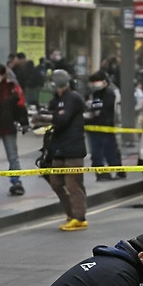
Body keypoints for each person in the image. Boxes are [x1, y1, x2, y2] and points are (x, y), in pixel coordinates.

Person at [38, 70, 88, 230]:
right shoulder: (57, 99)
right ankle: (70, 213)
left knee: (73, 184)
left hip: (73, 147)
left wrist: (49, 117)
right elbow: (52, 113)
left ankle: (79, 217)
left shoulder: (73, 98)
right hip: (59, 147)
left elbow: (63, 118)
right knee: (56, 182)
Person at [0, 62, 29, 197]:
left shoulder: (12, 88)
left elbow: (20, 107)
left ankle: (16, 182)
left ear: (3, 75)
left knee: (13, 156)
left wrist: (24, 123)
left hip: (7, 126)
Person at [85, 71, 123, 181]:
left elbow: (102, 109)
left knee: (110, 150)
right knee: (97, 152)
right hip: (93, 127)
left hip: (105, 126)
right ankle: (100, 172)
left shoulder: (109, 93)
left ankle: (118, 171)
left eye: (95, 82)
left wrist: (93, 110)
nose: (93, 85)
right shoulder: (94, 94)